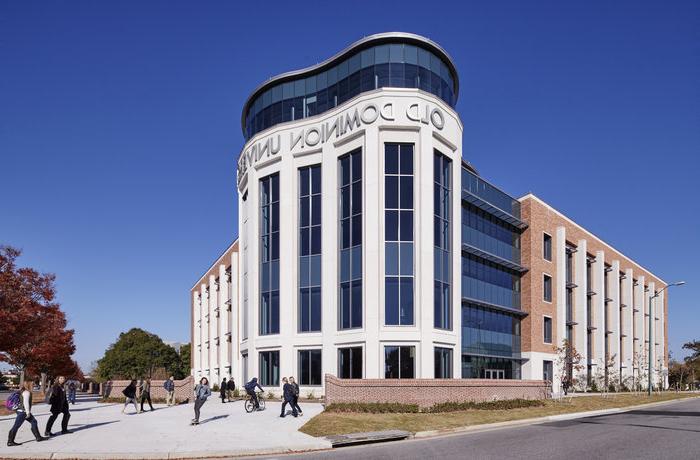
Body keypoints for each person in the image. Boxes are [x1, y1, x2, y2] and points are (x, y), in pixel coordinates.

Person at [7, 381, 47, 446]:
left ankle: (38, 437)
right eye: (32, 384)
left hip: (20, 411)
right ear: (29, 385)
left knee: (34, 422)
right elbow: (26, 403)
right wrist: (28, 413)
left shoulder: (22, 391)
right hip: (23, 412)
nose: (33, 385)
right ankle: (10, 441)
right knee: (16, 426)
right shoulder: (26, 392)